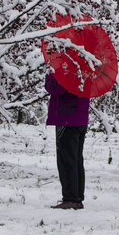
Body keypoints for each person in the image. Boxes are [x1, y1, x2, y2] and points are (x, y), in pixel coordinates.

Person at [46, 73, 90, 210]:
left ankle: (70, 198)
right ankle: (76, 197)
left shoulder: (68, 68)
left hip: (67, 118)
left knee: (66, 160)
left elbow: (53, 87)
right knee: (76, 159)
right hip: (81, 118)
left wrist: (50, 76)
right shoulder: (87, 66)